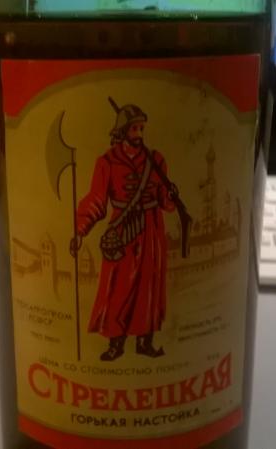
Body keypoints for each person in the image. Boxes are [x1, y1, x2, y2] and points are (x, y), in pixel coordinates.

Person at [70, 100, 178, 361]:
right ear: (122, 131)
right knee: (117, 285)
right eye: (134, 129)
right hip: (121, 229)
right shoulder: (107, 162)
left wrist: (170, 196)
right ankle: (115, 343)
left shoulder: (156, 160)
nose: (139, 134)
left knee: (148, 287)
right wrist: (80, 231)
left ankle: (144, 342)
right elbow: (96, 199)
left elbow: (165, 202)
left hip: (151, 228)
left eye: (142, 129)